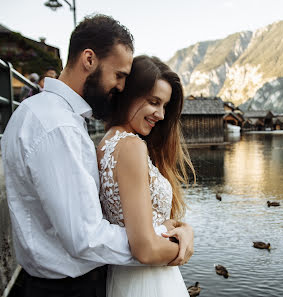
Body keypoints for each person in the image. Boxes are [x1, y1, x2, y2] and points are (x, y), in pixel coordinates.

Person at [1, 15, 193, 297]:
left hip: (53, 281)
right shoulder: (59, 127)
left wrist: (162, 230)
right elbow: (86, 238)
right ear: (89, 60)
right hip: (67, 288)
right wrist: (166, 242)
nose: (120, 88)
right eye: (119, 76)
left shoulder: (38, 113)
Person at [97, 55, 195, 297]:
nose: (161, 114)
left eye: (164, 106)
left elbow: (140, 223)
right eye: (154, 102)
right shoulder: (130, 146)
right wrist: (184, 246)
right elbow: (145, 249)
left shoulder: (107, 142)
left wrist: (178, 227)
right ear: (130, 94)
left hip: (127, 278)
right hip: (149, 282)